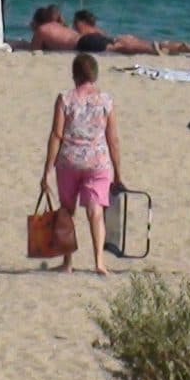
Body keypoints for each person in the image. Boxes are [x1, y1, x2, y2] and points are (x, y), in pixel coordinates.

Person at [39, 53, 125, 275]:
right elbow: (113, 139)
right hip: (98, 163)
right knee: (96, 212)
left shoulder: (65, 99)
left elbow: (56, 135)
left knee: (67, 211)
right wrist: (118, 172)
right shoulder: (106, 101)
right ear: (94, 75)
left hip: (69, 161)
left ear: (74, 74)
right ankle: (99, 262)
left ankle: (68, 263)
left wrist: (47, 169)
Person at [72, 9, 190, 57]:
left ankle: (152, 49)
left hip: (97, 41)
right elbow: (105, 36)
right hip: (111, 38)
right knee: (146, 43)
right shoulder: (97, 28)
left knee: (125, 48)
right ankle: (183, 46)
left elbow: (77, 37)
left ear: (80, 21)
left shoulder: (81, 27)